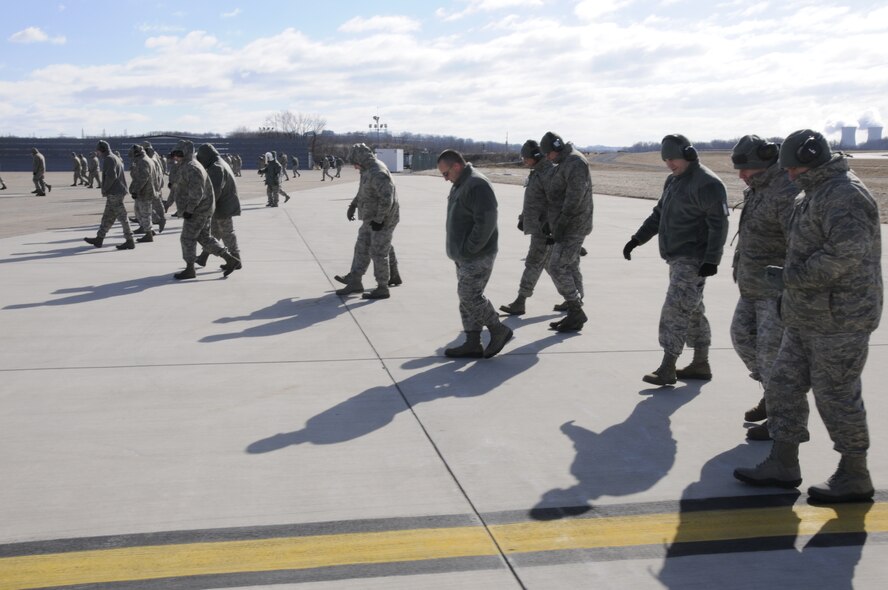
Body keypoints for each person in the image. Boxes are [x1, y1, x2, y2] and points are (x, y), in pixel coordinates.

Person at [734, 130, 882, 503]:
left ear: (810, 163)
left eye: (794, 167)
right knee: (782, 385)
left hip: (841, 318)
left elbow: (845, 254)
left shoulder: (844, 195)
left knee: (836, 395)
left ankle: (854, 473)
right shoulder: (813, 191)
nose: (790, 175)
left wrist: (791, 277)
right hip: (805, 313)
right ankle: (783, 463)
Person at [623, 134, 729, 386]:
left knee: (675, 309)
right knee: (692, 310)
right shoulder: (673, 181)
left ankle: (668, 365)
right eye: (666, 160)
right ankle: (701, 363)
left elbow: (719, 224)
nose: (670, 164)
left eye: (673, 159)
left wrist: (712, 259)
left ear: (689, 154)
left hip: (694, 258)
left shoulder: (707, 184)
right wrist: (637, 239)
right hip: (676, 257)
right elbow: (659, 214)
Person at [727, 135, 799, 441]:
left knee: (772, 356)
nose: (741, 174)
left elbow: (799, 243)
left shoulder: (787, 191)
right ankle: (772, 394)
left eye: (747, 169)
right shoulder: (758, 188)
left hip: (776, 291)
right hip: (752, 285)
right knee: (742, 337)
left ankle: (781, 422)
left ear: (767, 163)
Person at [437, 149, 513, 359]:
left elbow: (486, 221)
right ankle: (473, 342)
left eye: (446, 173)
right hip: (463, 255)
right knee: (465, 298)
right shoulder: (461, 183)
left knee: (470, 296)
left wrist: (470, 249)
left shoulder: (477, 185)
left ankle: (498, 330)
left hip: (477, 254)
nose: (445, 179)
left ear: (457, 166)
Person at [538, 131, 594, 332]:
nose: (547, 158)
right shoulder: (564, 162)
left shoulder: (575, 163)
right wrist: (550, 221)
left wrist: (560, 224)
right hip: (565, 223)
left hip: (573, 225)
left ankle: (576, 310)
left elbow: (574, 198)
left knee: (557, 266)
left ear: (556, 150)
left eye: (547, 154)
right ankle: (573, 310)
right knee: (569, 264)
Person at [333, 144, 400, 299]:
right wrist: (353, 205)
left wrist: (379, 220)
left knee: (378, 251)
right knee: (361, 246)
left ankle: (382, 287)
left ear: (361, 159)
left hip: (384, 218)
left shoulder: (377, 172)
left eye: (355, 163)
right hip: (372, 217)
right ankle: (355, 280)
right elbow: (363, 191)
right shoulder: (366, 169)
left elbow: (386, 199)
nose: (355, 167)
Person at [167, 139, 240, 280]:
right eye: (174, 154)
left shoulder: (192, 167)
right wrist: (170, 202)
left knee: (187, 238)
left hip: (198, 210)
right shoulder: (186, 166)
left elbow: (197, 192)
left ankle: (190, 269)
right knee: (204, 238)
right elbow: (179, 187)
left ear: (187, 153)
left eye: (179, 154)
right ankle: (230, 259)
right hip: (200, 209)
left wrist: (189, 209)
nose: (176, 157)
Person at [500, 139, 557, 316]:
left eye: (526, 157)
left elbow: (555, 202)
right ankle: (574, 299)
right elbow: (533, 199)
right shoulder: (537, 172)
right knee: (551, 266)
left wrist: (550, 226)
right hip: (539, 227)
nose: (524, 160)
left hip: (545, 229)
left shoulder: (548, 173)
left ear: (537, 156)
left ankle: (520, 301)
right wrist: (523, 218)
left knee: (533, 263)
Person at [195, 143, 243, 272]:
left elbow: (214, 191)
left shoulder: (216, 167)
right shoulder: (220, 162)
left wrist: (205, 207)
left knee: (227, 232)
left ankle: (236, 259)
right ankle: (203, 257)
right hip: (223, 204)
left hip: (222, 206)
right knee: (215, 232)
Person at [83, 140, 135, 250]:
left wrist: (105, 189)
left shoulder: (109, 159)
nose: (97, 153)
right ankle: (99, 238)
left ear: (102, 150)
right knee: (108, 216)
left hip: (114, 192)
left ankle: (130, 240)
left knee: (122, 217)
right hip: (116, 191)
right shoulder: (114, 157)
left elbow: (111, 176)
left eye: (98, 151)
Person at [127, 144, 157, 243]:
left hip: (145, 192)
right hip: (145, 191)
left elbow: (143, 178)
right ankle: (149, 230)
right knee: (140, 211)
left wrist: (136, 190)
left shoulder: (143, 161)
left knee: (145, 213)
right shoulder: (145, 160)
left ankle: (148, 234)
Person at [141, 141, 167, 233]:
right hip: (157, 182)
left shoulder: (149, 156)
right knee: (156, 203)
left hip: (152, 184)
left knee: (143, 205)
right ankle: (147, 225)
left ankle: (156, 221)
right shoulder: (155, 155)